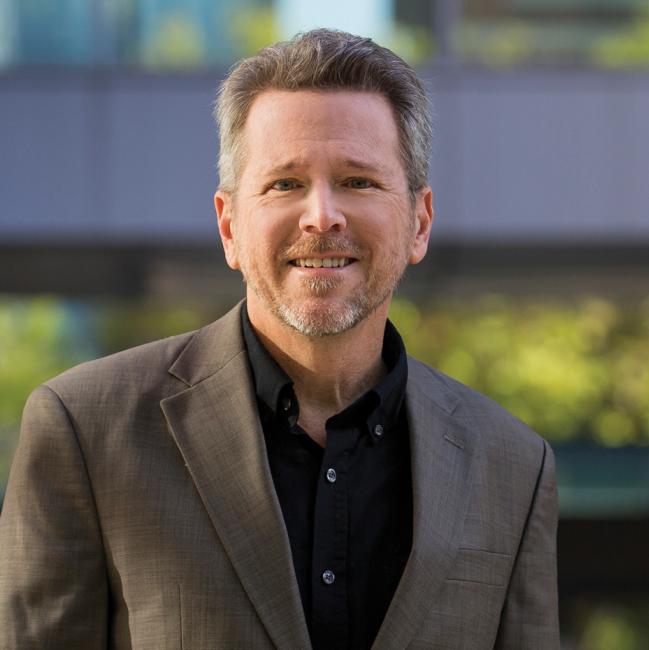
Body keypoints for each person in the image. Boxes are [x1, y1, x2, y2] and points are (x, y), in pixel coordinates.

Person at [0, 28, 559, 650]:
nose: (322, 215)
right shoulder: (86, 431)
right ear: (230, 225)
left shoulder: (514, 466)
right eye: (284, 184)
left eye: (359, 181)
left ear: (419, 223)